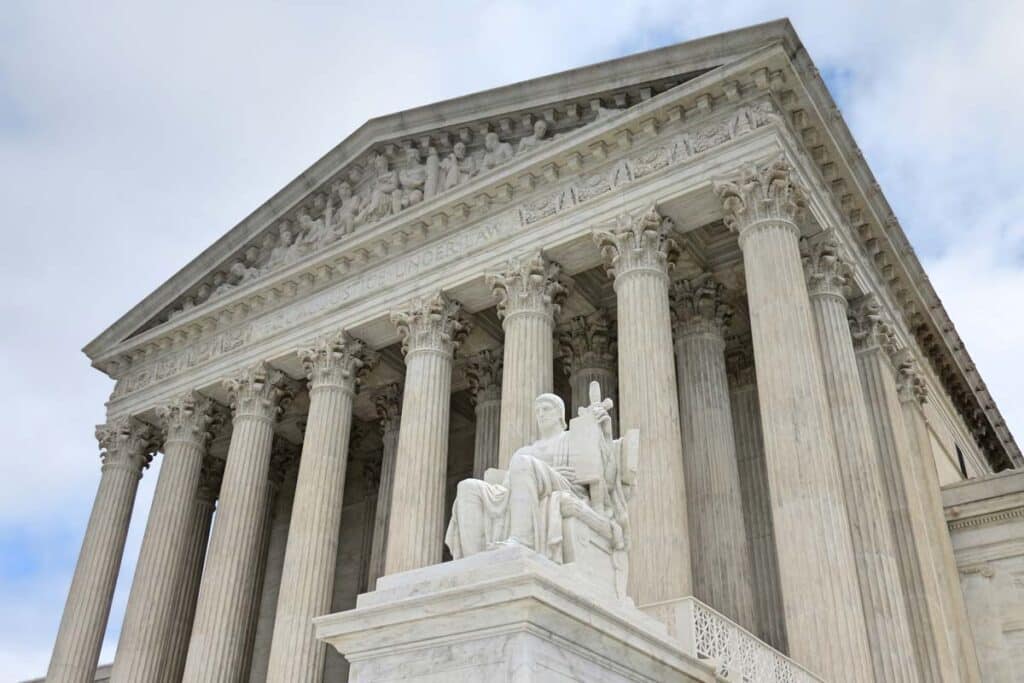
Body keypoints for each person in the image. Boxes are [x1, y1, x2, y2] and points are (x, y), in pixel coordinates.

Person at [445, 387, 630, 563]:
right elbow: (508, 488)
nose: (541, 414)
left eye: (546, 409)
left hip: (566, 485)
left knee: (523, 463)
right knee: (467, 486)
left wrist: (603, 432)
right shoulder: (524, 451)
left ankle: (522, 539)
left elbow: (607, 476)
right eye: (538, 411)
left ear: (560, 414)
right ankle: (477, 560)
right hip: (521, 490)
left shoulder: (572, 438)